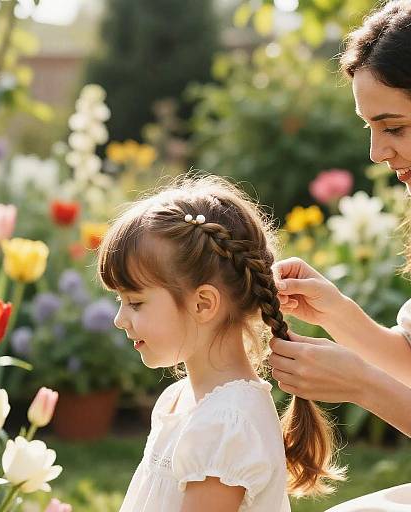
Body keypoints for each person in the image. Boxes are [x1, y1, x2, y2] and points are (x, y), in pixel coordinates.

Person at [269, 0, 411, 510]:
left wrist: (362, 386)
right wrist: (334, 312)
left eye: (394, 127)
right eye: (369, 126)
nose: (376, 151)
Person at [95, 175, 345, 512]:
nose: (119, 319)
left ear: (203, 304)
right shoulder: (181, 400)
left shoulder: (226, 424)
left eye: (135, 303)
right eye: (120, 302)